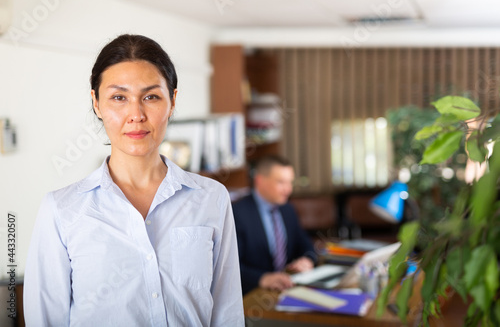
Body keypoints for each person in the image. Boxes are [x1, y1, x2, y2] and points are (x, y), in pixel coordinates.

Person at [24, 34, 244, 326]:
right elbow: (45, 319)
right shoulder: (62, 210)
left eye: (151, 97)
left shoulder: (211, 197)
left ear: (172, 101)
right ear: (97, 104)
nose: (136, 115)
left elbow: (227, 313)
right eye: (119, 97)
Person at [232, 155, 317, 295]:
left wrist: (307, 259)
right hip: (252, 294)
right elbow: (229, 267)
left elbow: (306, 245)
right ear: (260, 181)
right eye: (281, 182)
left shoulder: (287, 209)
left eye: (290, 183)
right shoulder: (238, 214)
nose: (288, 190)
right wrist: (262, 278)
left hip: (287, 288)